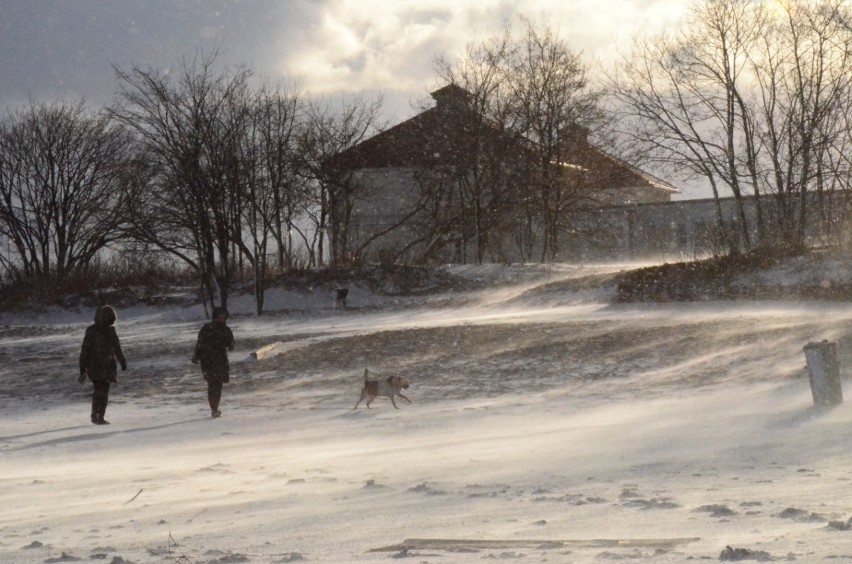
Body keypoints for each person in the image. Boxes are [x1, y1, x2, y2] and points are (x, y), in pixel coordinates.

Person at [79, 304, 127, 425]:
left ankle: (98, 415)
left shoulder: (108, 331)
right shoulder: (94, 331)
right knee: (101, 391)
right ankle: (97, 416)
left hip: (105, 366)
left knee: (101, 391)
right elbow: (85, 350)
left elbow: (117, 347)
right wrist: (82, 368)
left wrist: (122, 361)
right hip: (97, 366)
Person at [192, 306, 235, 418]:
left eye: (223, 317)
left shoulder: (226, 330)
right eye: (219, 317)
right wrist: (196, 355)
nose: (221, 319)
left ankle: (215, 408)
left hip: (220, 359)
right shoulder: (207, 328)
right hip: (208, 360)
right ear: (215, 317)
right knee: (212, 385)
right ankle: (214, 409)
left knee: (218, 385)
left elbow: (231, 344)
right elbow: (200, 343)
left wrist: (230, 344)